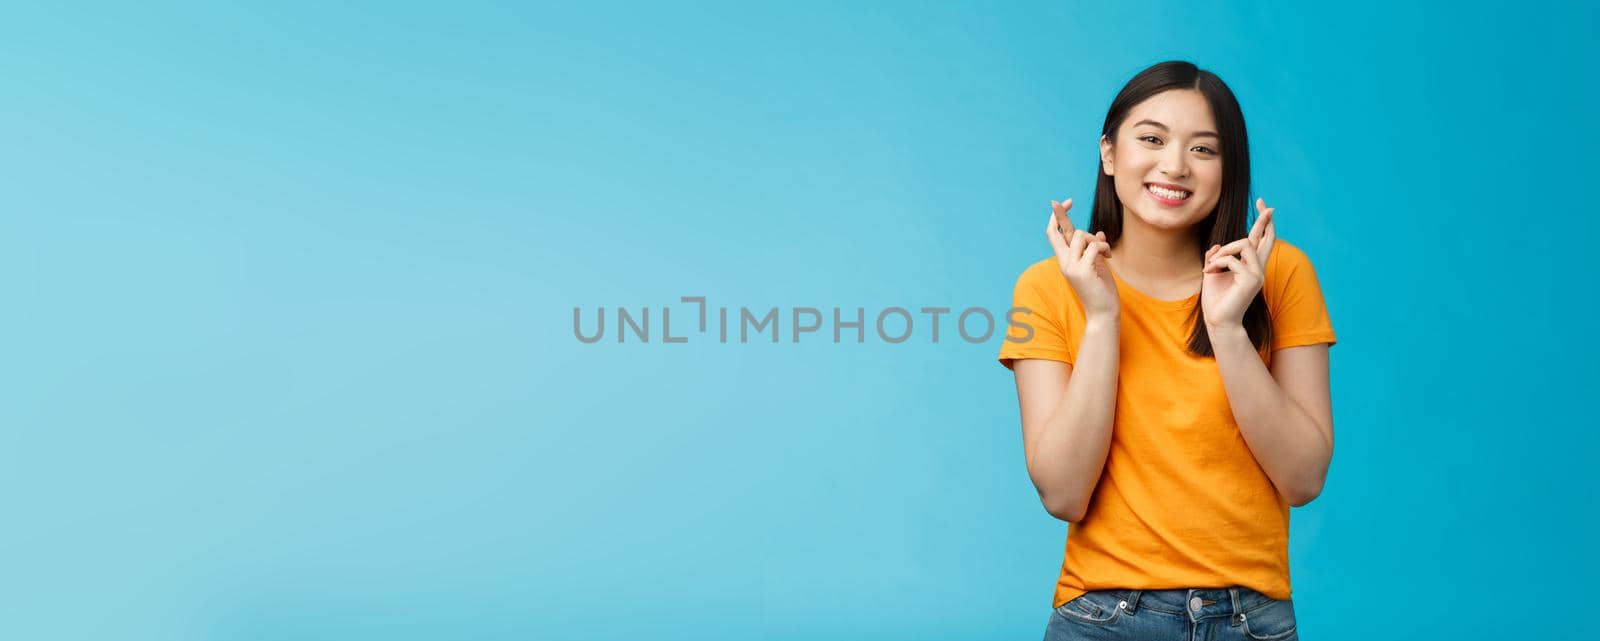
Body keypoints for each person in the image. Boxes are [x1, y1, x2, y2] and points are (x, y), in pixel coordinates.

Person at [997, 60, 1336, 641]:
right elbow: (1063, 492)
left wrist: (1228, 329)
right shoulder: (1048, 286)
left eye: (1204, 149)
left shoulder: (1278, 275)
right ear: (1109, 154)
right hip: (1102, 618)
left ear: (1229, 170)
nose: (1174, 165)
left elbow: (1303, 480)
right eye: (1151, 139)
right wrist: (1103, 318)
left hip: (1249, 620)